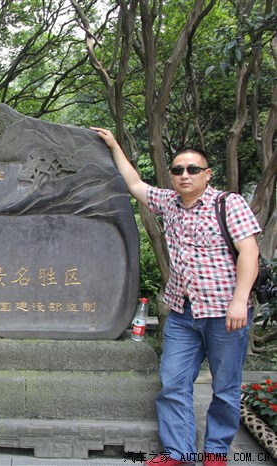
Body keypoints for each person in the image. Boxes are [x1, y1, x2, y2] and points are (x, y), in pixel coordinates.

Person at [91, 128, 261, 466]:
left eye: (192, 169)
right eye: (178, 170)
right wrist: (112, 144)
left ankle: (215, 453)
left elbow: (249, 253)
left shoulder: (229, 204)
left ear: (207, 174)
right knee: (173, 382)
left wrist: (240, 300)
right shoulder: (169, 203)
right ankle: (179, 453)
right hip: (183, 313)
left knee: (225, 388)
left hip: (225, 313)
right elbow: (135, 184)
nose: (185, 175)